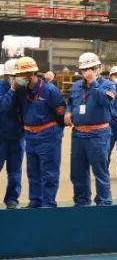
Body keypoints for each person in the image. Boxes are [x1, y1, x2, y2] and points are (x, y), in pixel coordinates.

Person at [13, 56, 66, 208]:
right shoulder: (21, 91)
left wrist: (55, 132)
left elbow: (60, 112)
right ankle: (35, 202)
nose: (17, 78)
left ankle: (48, 205)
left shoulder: (49, 90)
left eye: (20, 75)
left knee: (49, 173)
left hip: (48, 135)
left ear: (30, 74)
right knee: (33, 172)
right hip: (30, 136)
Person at [66, 52, 117, 207]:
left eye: (92, 68)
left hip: (98, 134)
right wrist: (68, 112)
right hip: (78, 134)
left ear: (99, 68)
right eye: (85, 69)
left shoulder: (108, 85)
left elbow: (105, 101)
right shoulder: (76, 86)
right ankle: (82, 203)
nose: (88, 72)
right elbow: (71, 102)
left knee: (100, 171)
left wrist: (93, 83)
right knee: (78, 172)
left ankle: (104, 204)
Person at [0, 59, 24, 208]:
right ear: (7, 76)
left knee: (15, 170)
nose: (17, 79)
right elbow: (2, 107)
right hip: (1, 136)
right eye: (14, 76)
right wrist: (12, 90)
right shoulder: (2, 87)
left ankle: (12, 199)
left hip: (18, 136)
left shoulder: (24, 89)